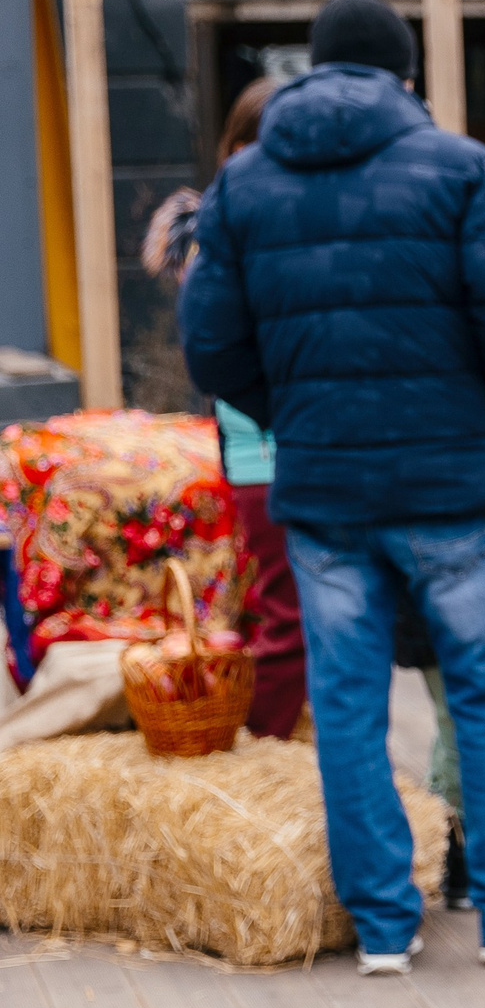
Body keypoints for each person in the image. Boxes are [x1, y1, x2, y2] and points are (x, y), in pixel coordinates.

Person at [179, 0, 485, 976]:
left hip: (325, 487)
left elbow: (211, 345)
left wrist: (295, 415)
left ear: (312, 70)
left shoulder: (243, 187)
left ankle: (380, 927)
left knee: (347, 703)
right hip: (453, 479)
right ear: (404, 74)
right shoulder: (462, 168)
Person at [143, 77, 305, 741]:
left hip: (282, 444)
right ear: (236, 149)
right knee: (287, 613)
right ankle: (266, 742)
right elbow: (218, 349)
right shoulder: (225, 231)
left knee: (291, 608)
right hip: (263, 448)